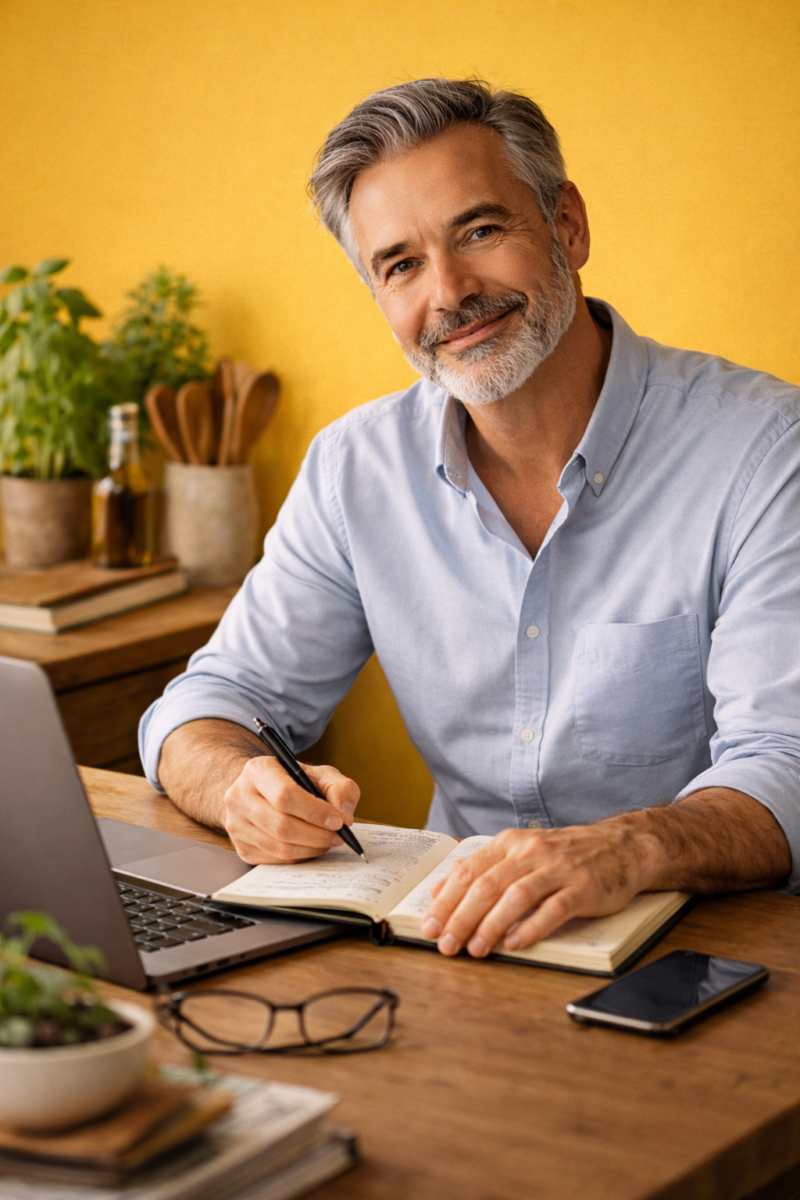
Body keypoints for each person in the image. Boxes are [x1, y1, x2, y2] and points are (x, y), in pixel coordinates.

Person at [140, 77, 799, 962]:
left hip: (715, 951)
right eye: (400, 264)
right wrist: (237, 788)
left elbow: (788, 763)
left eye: (480, 231)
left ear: (566, 225)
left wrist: (631, 848)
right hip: (456, 946)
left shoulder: (765, 448)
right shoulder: (354, 468)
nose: (449, 292)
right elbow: (208, 704)